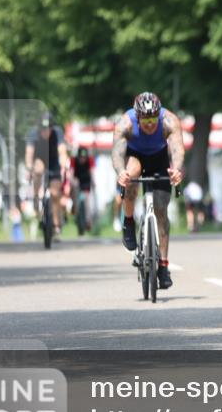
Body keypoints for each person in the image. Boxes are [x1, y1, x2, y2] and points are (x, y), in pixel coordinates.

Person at [112, 92, 185, 289]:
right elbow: (117, 153)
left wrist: (177, 170)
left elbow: (178, 149)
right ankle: (128, 220)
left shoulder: (169, 121)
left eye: (154, 119)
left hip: (159, 158)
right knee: (131, 174)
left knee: (161, 209)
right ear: (137, 117)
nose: (151, 124)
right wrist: (121, 173)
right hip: (135, 156)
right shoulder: (125, 124)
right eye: (146, 120)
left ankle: (163, 265)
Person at [25, 112, 68, 237]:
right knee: (38, 169)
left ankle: (56, 226)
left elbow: (62, 151)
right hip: (40, 159)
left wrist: (64, 165)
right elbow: (29, 154)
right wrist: (29, 168)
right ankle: (36, 196)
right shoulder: (33, 134)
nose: (46, 131)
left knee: (55, 194)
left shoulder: (57, 132)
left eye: (48, 128)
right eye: (43, 129)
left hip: (53, 162)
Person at [70, 146, 96, 233]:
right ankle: (74, 206)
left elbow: (92, 173)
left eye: (84, 158)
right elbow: (71, 173)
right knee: (74, 188)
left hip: (86, 182)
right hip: (77, 181)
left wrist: (93, 182)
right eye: (81, 157)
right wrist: (73, 180)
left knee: (87, 201)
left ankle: (88, 220)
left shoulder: (90, 160)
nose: (82, 159)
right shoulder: (74, 160)